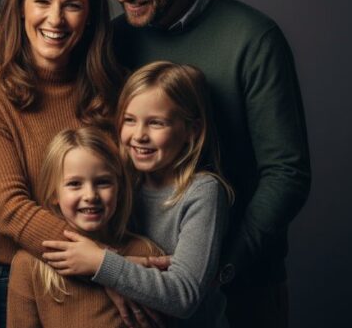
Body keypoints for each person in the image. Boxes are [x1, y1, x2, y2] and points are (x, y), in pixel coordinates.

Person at [100, 0, 311, 327]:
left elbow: (287, 173)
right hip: (145, 280)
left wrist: (218, 270)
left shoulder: (252, 38)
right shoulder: (116, 39)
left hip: (244, 286)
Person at [0, 0, 124, 326]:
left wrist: (114, 268)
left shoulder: (116, 93)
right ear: (20, 7)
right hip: (24, 279)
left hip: (114, 267)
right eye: (42, 2)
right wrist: (107, 266)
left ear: (90, 18)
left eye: (72, 5)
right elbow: (10, 209)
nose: (56, 19)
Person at [43, 62, 234, 327]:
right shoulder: (122, 182)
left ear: (192, 130)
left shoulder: (203, 193)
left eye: (156, 123)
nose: (139, 136)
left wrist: (102, 263)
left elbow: (183, 295)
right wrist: (117, 267)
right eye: (130, 120)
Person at [7, 127, 160, 328]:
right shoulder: (28, 265)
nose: (90, 195)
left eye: (103, 182)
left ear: (120, 189)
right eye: (75, 184)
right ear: (54, 193)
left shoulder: (144, 254)